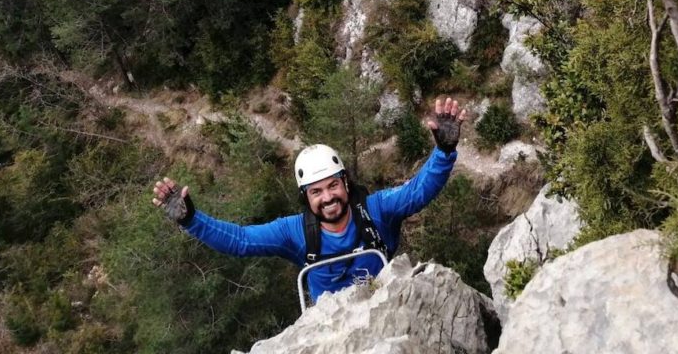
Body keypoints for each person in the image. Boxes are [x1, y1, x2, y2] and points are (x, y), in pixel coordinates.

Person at [152, 97, 468, 305]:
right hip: (330, 329)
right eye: (316, 192)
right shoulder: (296, 232)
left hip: (384, 312)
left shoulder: (376, 211)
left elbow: (418, 191)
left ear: (345, 182)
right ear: (306, 197)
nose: (328, 197)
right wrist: (191, 220)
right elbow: (241, 240)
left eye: (333, 186)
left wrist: (444, 152)